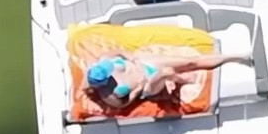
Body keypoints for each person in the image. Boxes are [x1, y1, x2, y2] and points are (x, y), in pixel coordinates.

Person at [85, 44, 238, 111]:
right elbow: (124, 104)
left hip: (143, 64)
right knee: (166, 72)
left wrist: (130, 57)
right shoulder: (109, 95)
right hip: (147, 86)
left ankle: (231, 57)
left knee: (190, 61)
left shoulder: (104, 61)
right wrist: (138, 88)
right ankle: (182, 80)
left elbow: (117, 51)